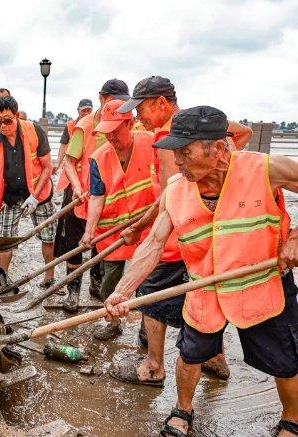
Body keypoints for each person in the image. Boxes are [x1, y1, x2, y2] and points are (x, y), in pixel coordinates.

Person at [104, 106, 298, 437]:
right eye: (174, 152)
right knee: (190, 354)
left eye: (185, 151)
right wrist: (122, 292)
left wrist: (295, 237)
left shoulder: (264, 170)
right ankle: (183, 409)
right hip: (205, 288)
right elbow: (153, 244)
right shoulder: (176, 190)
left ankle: (292, 420)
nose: (177, 162)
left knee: (285, 359)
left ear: (218, 148)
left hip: (262, 286)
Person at [110, 76, 253, 385]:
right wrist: (223, 161)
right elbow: (245, 132)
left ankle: (153, 366)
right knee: (204, 292)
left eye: (142, 110)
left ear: (162, 104)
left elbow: (167, 199)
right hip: (208, 232)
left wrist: (139, 227)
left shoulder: (168, 138)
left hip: (179, 233)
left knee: (150, 295)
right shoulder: (203, 128)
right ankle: (216, 359)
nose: (138, 119)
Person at [79, 99, 157, 340]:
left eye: (116, 131)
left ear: (130, 122)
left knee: (148, 281)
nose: (111, 137)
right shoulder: (99, 158)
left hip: (148, 224)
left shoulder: (153, 143)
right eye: (106, 132)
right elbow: (96, 196)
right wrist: (89, 231)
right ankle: (112, 322)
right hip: (113, 228)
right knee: (110, 281)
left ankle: (147, 329)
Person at [55, 80, 130, 310]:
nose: (117, 106)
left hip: (110, 198)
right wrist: (77, 186)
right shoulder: (86, 125)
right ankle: (73, 291)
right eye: (112, 101)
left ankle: (96, 285)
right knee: (75, 245)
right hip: (81, 195)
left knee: (101, 243)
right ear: (101, 98)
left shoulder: (127, 123)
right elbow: (69, 161)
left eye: (123, 103)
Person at [0, 96, 56, 287]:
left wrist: (35, 197)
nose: (3, 126)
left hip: (39, 193)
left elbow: (47, 168)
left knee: (48, 236)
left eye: (7, 120)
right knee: (4, 238)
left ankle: (49, 276)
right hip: (9, 195)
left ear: (17, 115)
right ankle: (3, 277)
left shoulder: (34, 131)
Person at [55, 99, 93, 172]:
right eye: (83, 110)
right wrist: (57, 163)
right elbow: (64, 145)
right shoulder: (70, 125)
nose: (86, 113)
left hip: (88, 166)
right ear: (78, 110)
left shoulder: (95, 125)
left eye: (89, 111)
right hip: (71, 164)